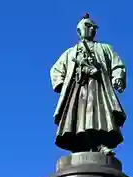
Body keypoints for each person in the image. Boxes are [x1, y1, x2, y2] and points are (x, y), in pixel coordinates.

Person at [51, 13, 126, 155]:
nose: (91, 29)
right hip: (78, 88)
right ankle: (79, 145)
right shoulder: (70, 52)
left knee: (99, 115)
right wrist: (60, 83)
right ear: (79, 31)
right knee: (77, 116)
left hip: (99, 86)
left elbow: (117, 65)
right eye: (87, 26)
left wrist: (118, 77)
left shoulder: (105, 48)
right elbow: (56, 69)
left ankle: (99, 144)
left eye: (93, 27)